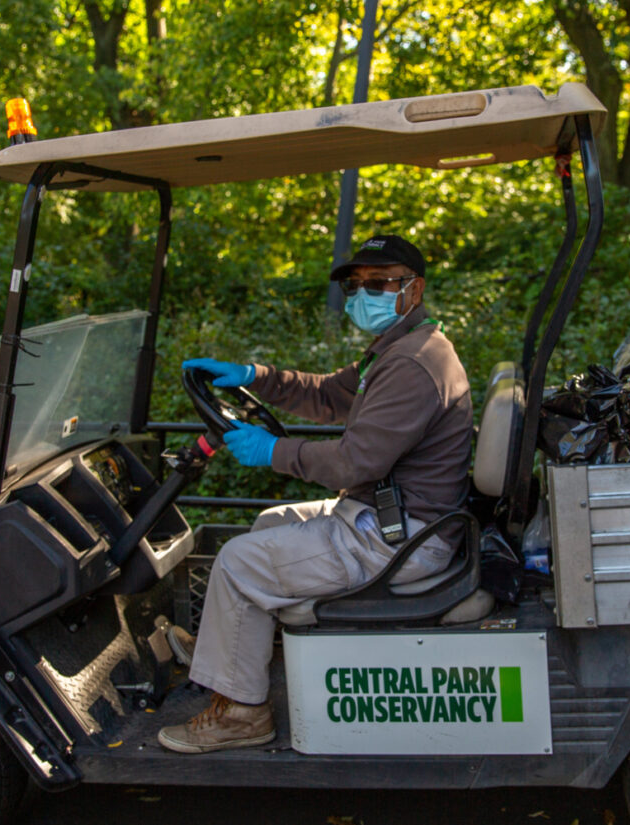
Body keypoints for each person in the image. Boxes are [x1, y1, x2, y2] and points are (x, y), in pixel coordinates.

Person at [156, 233, 474, 754]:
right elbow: (329, 395)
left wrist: (274, 451)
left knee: (238, 562)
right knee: (270, 524)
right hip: (390, 513)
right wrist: (255, 377)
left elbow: (355, 462)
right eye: (355, 285)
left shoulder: (415, 365)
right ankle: (232, 657)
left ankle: (242, 716)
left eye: (378, 283)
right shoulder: (398, 350)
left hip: (403, 537)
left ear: (413, 290)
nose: (361, 294)